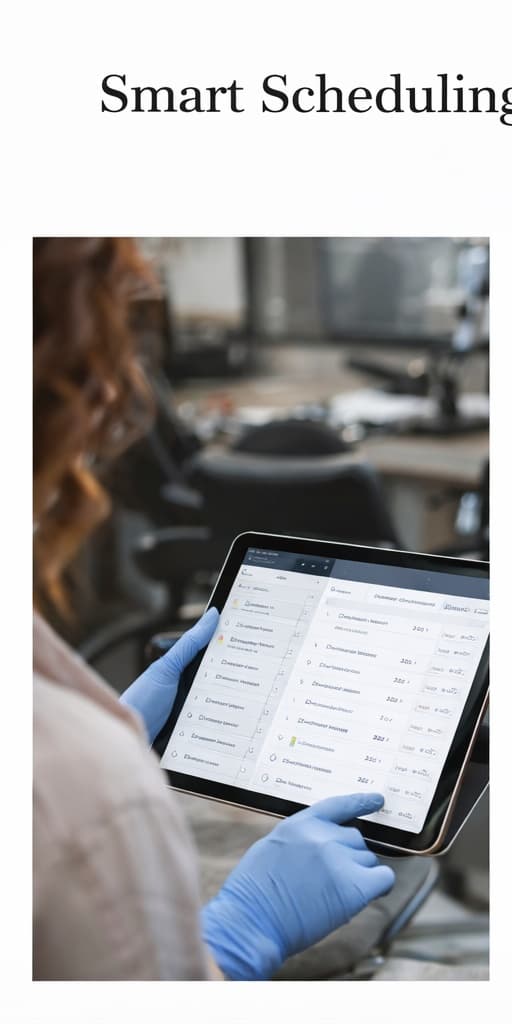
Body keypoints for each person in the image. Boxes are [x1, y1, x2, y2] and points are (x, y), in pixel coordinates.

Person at [33, 237, 395, 981]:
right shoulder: (87, 802)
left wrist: (114, 732)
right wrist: (239, 939)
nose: (110, 405)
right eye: (100, 356)